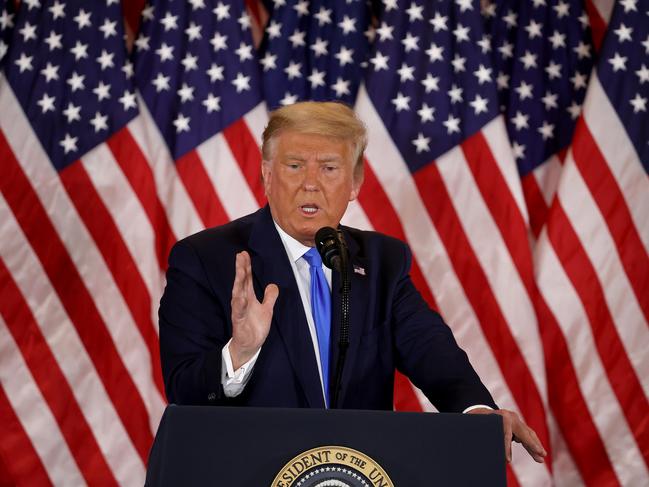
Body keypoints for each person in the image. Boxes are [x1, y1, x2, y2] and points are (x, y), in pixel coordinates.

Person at [158, 101, 546, 464]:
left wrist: (476, 413)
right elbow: (183, 391)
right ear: (267, 174)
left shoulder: (381, 263)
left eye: (329, 168)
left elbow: (433, 354)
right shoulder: (206, 259)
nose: (310, 184)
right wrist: (238, 354)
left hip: (358, 473)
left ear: (355, 183)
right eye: (294, 166)